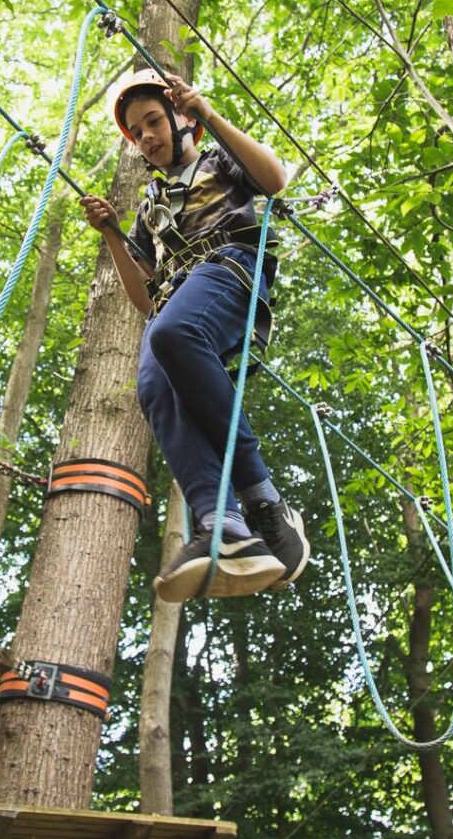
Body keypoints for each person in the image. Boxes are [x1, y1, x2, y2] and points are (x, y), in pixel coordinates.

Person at [79, 67, 311, 602]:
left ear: (182, 119)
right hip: (179, 301)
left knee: (174, 332)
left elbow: (274, 179)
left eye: (155, 121)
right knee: (154, 386)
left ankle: (261, 499)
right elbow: (143, 297)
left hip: (231, 270)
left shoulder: (217, 161)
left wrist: (207, 111)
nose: (148, 137)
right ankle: (222, 523)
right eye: (137, 132)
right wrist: (114, 234)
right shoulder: (150, 210)